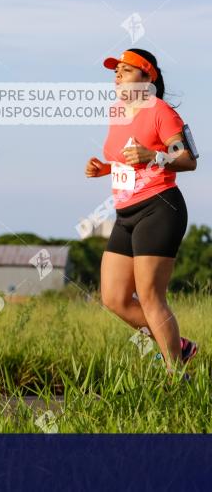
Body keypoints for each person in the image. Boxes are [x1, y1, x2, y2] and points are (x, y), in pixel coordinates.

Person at [85, 49, 199, 376]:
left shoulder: (161, 112)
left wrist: (154, 155)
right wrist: (105, 168)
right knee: (114, 298)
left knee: (150, 297)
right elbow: (127, 159)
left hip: (160, 207)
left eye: (125, 70)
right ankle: (179, 345)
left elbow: (187, 159)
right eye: (115, 70)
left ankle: (176, 375)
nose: (117, 75)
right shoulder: (117, 111)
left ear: (147, 78)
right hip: (125, 212)